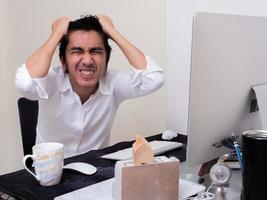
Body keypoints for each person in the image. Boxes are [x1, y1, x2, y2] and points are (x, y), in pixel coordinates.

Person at [15, 14, 164, 158]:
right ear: (63, 61)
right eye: (77, 51)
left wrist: (112, 32)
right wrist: (57, 34)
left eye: (96, 51)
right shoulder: (52, 81)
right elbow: (25, 84)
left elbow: (154, 78)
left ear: (106, 60)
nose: (87, 60)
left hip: (95, 176)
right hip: (50, 176)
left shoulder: (112, 83)